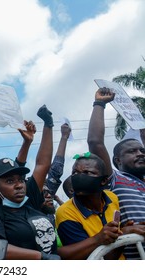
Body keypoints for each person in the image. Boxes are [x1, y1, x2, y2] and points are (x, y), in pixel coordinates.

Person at [0, 105, 60, 260]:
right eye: (9, 181)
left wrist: (48, 125)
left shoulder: (32, 202)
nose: (19, 185)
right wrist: (40, 257)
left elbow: (43, 164)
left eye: (21, 180)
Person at [87, 87, 145, 259]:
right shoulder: (115, 179)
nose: (140, 153)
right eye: (132, 151)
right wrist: (99, 103)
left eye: (142, 150)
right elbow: (95, 142)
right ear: (117, 161)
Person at [55, 152, 145, 259]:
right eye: (75, 172)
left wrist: (124, 229)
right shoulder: (65, 212)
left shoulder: (112, 197)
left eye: (87, 172)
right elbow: (94, 259)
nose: (79, 176)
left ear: (103, 181)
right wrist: (117, 235)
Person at [42, 123, 72, 225]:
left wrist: (64, 137)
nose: (49, 196)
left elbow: (56, 171)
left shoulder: (50, 213)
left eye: (49, 193)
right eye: (43, 194)